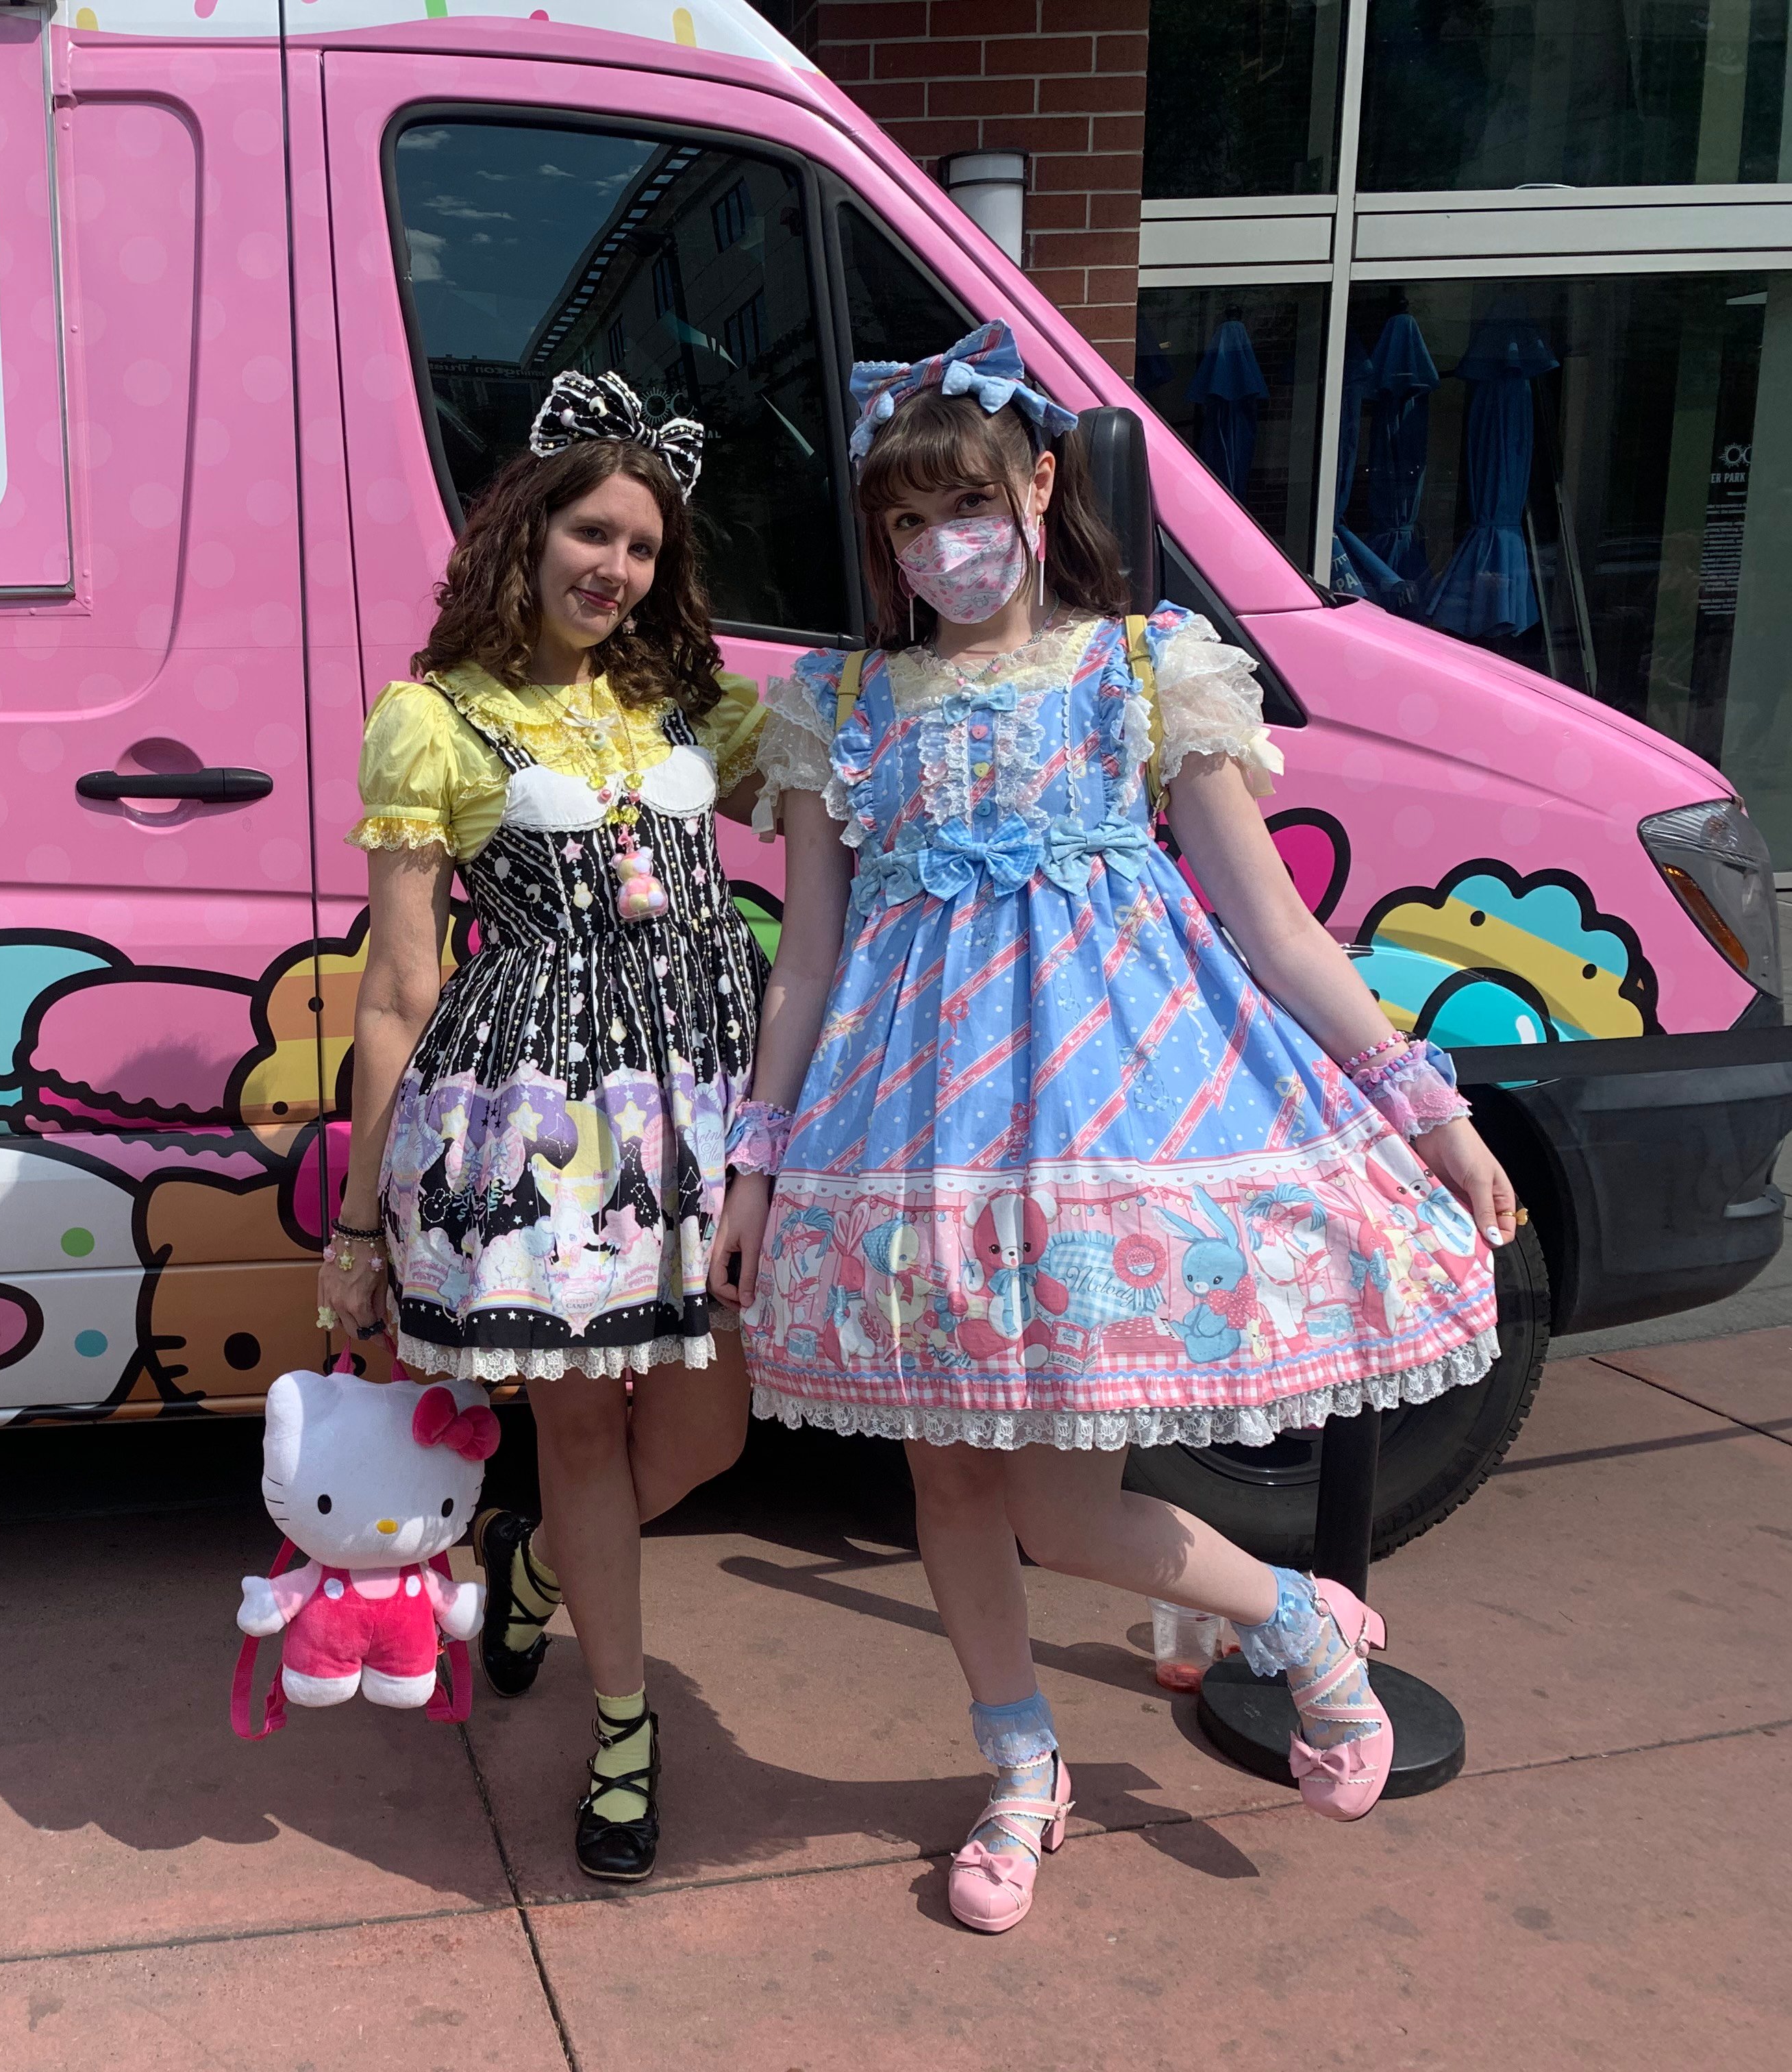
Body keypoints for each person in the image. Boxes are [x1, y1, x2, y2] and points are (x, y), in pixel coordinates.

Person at [709, 323, 1509, 1934]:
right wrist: (756, 1160)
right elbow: (802, 960)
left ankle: (1292, 1624)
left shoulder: (1143, 667)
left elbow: (1275, 926)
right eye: (908, 519)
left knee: (1058, 1497)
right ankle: (1021, 1768)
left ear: (1041, 484)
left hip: (1110, 1129)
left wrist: (1424, 1107)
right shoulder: (840, 704)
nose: (946, 543)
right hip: (908, 1140)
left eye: (972, 503)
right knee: (947, 1486)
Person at [317, 371, 769, 1882]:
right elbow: (396, 989)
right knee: (581, 1420)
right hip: (548, 1116)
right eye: (593, 531)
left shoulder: (691, 699)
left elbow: (849, 799)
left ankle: (533, 1560)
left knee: (708, 1425)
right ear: (527, 527)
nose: (617, 568)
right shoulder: (432, 719)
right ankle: (623, 1736)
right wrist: (362, 1219)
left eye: (644, 547)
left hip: (708, 1098)